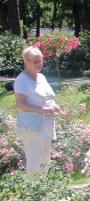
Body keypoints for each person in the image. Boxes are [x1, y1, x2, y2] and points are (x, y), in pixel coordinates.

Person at [14, 46, 61, 175]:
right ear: (26, 62)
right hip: (32, 128)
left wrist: (54, 106)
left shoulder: (41, 77)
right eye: (35, 62)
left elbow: (46, 97)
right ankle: (32, 193)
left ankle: (42, 192)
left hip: (46, 126)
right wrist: (42, 109)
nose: (39, 64)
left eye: (40, 61)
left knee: (45, 161)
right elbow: (20, 104)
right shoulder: (22, 80)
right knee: (34, 164)